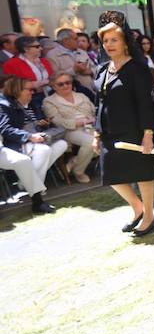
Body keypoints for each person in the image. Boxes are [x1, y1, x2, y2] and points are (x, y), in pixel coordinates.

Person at [93, 11, 154, 237]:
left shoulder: (137, 68)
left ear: (125, 42)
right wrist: (96, 133)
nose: (109, 44)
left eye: (114, 39)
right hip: (109, 131)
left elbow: (146, 103)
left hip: (135, 130)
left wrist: (148, 134)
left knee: (142, 173)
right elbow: (99, 104)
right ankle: (137, 208)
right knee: (111, 175)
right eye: (105, 41)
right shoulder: (102, 69)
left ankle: (149, 216)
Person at [0, 76, 68, 213]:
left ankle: (27, 185)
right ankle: (37, 199)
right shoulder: (4, 104)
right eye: (29, 89)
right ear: (17, 89)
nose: (33, 92)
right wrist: (29, 136)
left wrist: (38, 129)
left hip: (23, 142)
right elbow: (5, 129)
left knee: (61, 144)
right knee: (42, 151)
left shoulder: (19, 103)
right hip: (13, 144)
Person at [42, 72, 97, 184]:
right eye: (60, 84)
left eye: (68, 82)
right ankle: (79, 172)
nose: (65, 86)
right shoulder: (49, 101)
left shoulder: (81, 96)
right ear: (53, 86)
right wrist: (79, 122)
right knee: (92, 142)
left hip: (91, 126)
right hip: (69, 130)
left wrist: (93, 119)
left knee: (105, 139)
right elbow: (57, 121)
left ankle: (74, 162)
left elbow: (94, 111)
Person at [4, 35, 53, 107]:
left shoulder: (43, 61)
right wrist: (34, 85)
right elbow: (11, 85)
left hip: (48, 95)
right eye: (37, 46)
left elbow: (51, 76)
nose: (41, 48)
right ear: (26, 49)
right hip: (29, 99)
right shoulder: (11, 64)